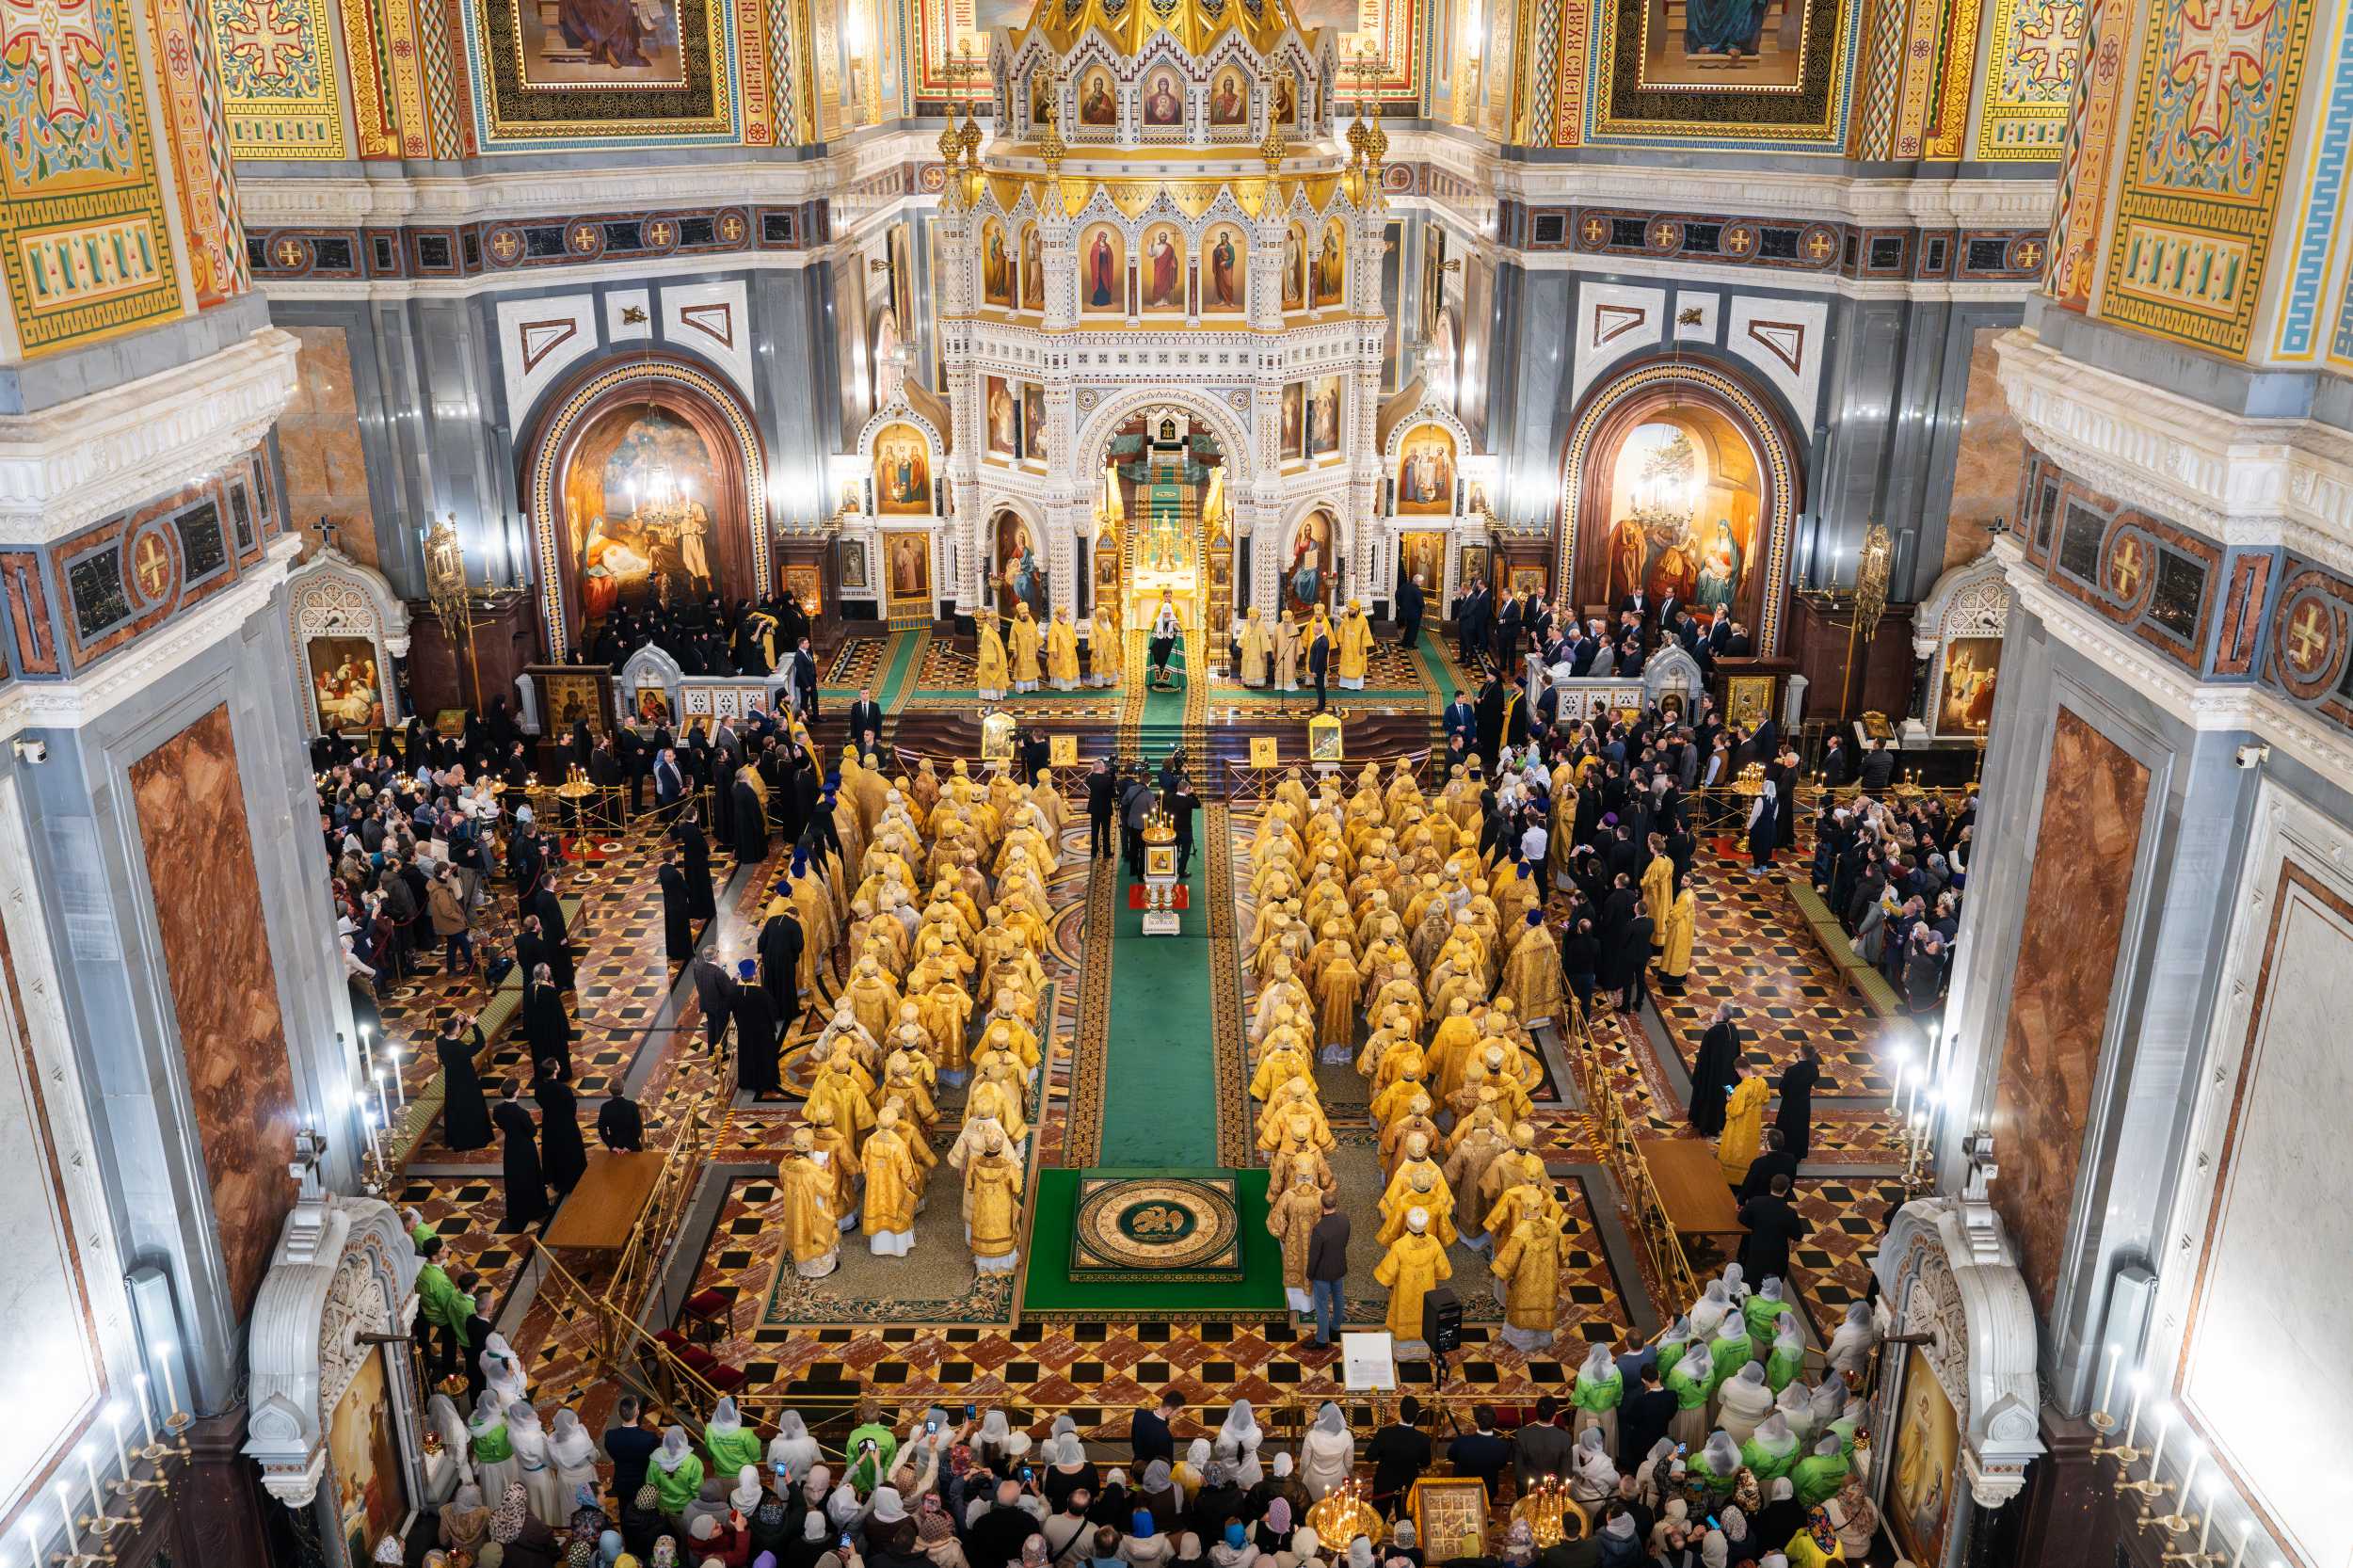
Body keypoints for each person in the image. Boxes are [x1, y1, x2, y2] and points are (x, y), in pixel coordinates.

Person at [494, 1082, 550, 1231]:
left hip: (511, 1147)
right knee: (531, 1176)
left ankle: (519, 1210)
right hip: (525, 1148)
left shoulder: (498, 1110)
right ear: (516, 1092)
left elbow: (499, 1123)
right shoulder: (522, 1113)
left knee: (515, 1178)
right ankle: (535, 1209)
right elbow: (532, 1132)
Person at [1737, 1177, 1808, 1285]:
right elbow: (1798, 1236)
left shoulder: (1756, 1201)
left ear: (1771, 1186)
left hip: (1757, 1248)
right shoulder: (1790, 1212)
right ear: (1786, 1189)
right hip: (1777, 1253)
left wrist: (1756, 1227)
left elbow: (1741, 1218)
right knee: (1773, 1283)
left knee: (1752, 1281)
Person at [1365, 1398, 1432, 1512]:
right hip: (1408, 1486)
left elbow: (1369, 1457)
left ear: (1400, 1412)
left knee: (1379, 1519)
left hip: (1384, 1484)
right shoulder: (1423, 1439)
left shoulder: (1384, 1433)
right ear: (1416, 1416)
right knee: (1405, 1524)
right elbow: (1425, 1463)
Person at [438, 1013, 493, 1151]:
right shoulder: (461, 1049)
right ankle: (474, 1139)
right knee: (472, 1107)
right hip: (466, 1079)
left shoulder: (440, 1041)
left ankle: (456, 1139)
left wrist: (460, 1022)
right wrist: (474, 1025)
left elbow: (453, 1033)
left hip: (451, 1078)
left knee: (456, 1107)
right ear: (456, 1030)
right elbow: (480, 1043)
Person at [1688, 1004, 1739, 1138]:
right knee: (1723, 1101)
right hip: (1728, 1078)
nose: (1715, 1014)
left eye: (1717, 1012)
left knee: (1708, 1101)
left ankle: (1704, 1125)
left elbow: (1703, 1058)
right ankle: (1719, 1124)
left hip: (1711, 1078)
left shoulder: (1712, 1032)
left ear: (1721, 1016)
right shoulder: (1733, 1030)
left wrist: (1698, 1077)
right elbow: (1737, 1054)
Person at [1305, 1191, 1349, 1349]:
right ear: (1336, 1204)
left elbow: (1314, 1256)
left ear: (1321, 1206)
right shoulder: (1345, 1220)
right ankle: (1336, 1326)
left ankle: (1322, 1339)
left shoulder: (1319, 1229)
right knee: (1338, 1298)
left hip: (1322, 1273)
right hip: (1339, 1266)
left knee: (1322, 1306)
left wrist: (1309, 1274)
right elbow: (1345, 1241)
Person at [1717, 1060, 1769, 1188]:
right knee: (1749, 1150)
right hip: (1754, 1124)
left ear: (1740, 1070)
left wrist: (1729, 1101)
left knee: (1735, 1150)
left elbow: (1735, 1111)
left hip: (1740, 1126)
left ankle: (1733, 1178)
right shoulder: (1762, 1082)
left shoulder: (1742, 1088)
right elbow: (1766, 1099)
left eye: (1737, 1072)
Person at [1447, 1407, 1509, 1498]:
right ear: (1495, 1422)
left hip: (1461, 1489)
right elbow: (1501, 1465)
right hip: (1487, 1491)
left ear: (1476, 1422)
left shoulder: (1461, 1441)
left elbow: (1450, 1456)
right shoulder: (1503, 1446)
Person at [1738, 1127, 1799, 1204]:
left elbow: (1749, 1184)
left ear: (1767, 1144)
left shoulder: (1759, 1163)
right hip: (1780, 1200)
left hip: (1759, 1201)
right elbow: (1791, 1181)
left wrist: (1741, 1201)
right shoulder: (1791, 1159)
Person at [1087, 758, 1118, 860]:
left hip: (1095, 809)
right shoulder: (1107, 780)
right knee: (1106, 832)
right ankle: (1106, 852)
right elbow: (1113, 795)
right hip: (1105, 809)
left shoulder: (1090, 779)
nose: (1105, 768)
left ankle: (1094, 851)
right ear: (1101, 768)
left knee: (1094, 831)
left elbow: (1089, 775)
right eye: (1104, 766)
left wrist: (1093, 770)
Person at [1397, 574, 1425, 650]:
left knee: (1408, 628)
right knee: (1413, 629)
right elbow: (1421, 604)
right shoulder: (1418, 591)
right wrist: (1424, 605)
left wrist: (1399, 604)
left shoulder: (1404, 586)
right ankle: (1409, 645)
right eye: (1422, 582)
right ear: (1418, 581)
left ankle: (1404, 642)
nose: (1422, 583)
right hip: (1414, 614)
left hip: (1404, 612)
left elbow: (1397, 594)